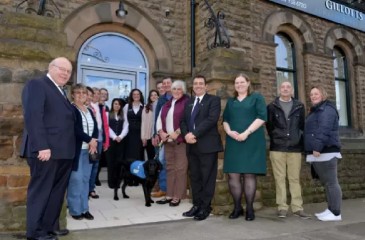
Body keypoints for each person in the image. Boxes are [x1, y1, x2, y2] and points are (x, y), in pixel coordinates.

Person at [20, 57, 75, 240]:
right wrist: (42, 146)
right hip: (46, 152)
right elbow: (33, 116)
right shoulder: (37, 84)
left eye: (68, 71)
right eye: (62, 69)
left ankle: (48, 227)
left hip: (63, 152)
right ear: (50, 68)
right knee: (41, 192)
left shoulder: (61, 91)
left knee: (56, 193)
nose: (65, 73)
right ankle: (35, 233)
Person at [222, 73, 267, 221]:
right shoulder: (231, 101)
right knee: (233, 176)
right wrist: (229, 131)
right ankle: (237, 207)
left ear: (248, 83)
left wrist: (246, 133)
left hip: (251, 140)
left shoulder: (257, 98)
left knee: (249, 175)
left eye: (242, 82)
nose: (239, 85)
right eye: (236, 83)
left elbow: (262, 117)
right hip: (234, 141)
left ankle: (249, 208)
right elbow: (225, 120)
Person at [180, 75, 223, 221]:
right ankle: (196, 205)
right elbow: (183, 121)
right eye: (195, 83)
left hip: (207, 145)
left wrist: (194, 134)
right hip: (191, 146)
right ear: (193, 86)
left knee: (207, 178)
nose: (198, 85)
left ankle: (206, 207)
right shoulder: (189, 102)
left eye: (201, 83)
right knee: (195, 177)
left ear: (206, 86)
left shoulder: (213, 100)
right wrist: (186, 135)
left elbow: (211, 120)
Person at [266, 81, 311, 219]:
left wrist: (298, 140)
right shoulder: (272, 106)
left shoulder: (299, 106)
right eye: (283, 87)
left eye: (288, 87)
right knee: (279, 178)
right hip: (277, 147)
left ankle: (297, 208)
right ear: (279, 90)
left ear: (292, 90)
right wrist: (276, 137)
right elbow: (269, 126)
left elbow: (302, 126)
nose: (285, 89)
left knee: (294, 178)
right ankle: (282, 207)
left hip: (295, 148)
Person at [304, 86, 342, 221]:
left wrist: (317, 147)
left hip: (326, 151)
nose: (313, 96)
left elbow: (324, 129)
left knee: (331, 182)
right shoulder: (317, 110)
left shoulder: (327, 109)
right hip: (321, 152)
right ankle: (331, 209)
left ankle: (336, 213)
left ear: (323, 95)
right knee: (327, 183)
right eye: (311, 94)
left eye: (316, 93)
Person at [67, 84, 98, 221]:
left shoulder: (89, 110)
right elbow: (74, 129)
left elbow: (96, 127)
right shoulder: (71, 109)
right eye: (77, 92)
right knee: (76, 180)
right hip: (77, 151)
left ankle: (84, 209)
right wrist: (89, 140)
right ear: (72, 95)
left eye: (83, 93)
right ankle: (75, 210)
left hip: (89, 151)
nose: (81, 95)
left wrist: (94, 141)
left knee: (86, 180)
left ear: (87, 95)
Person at [156, 80, 190, 207]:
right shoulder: (167, 104)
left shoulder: (187, 102)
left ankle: (178, 196)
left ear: (183, 90)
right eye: (174, 89)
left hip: (180, 141)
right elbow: (159, 119)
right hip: (167, 141)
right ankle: (169, 194)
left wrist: (178, 132)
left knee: (180, 169)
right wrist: (161, 132)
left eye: (179, 89)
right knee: (169, 168)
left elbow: (189, 120)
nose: (176, 91)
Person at [151, 77, 173, 198]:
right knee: (161, 160)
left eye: (168, 83)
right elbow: (157, 119)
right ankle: (163, 188)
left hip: (175, 135)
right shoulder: (161, 100)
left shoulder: (178, 97)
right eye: (164, 84)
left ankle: (172, 188)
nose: (166, 85)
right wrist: (156, 134)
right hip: (162, 135)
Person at [107, 98, 129, 198]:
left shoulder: (123, 115)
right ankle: (111, 183)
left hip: (121, 141)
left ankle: (117, 183)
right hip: (111, 141)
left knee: (119, 162)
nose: (117, 106)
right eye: (115, 104)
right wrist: (115, 137)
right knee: (111, 162)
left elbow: (126, 127)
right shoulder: (108, 114)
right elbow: (107, 127)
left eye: (119, 104)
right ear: (112, 104)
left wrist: (120, 136)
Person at [124, 89, 145, 161]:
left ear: (140, 96)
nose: (136, 96)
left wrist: (144, 136)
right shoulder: (127, 106)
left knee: (139, 153)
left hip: (140, 134)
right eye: (134, 94)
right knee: (129, 153)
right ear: (131, 96)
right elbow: (124, 121)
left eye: (138, 94)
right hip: (129, 133)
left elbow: (145, 122)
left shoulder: (144, 107)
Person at [96, 87, 110, 186]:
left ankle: (96, 178)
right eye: (102, 93)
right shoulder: (95, 106)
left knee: (100, 160)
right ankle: (95, 178)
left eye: (105, 94)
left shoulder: (107, 107)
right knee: (95, 159)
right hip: (96, 136)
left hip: (104, 136)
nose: (103, 95)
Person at [141, 90, 159, 159]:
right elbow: (143, 123)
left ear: (158, 96)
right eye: (152, 95)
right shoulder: (146, 108)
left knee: (159, 156)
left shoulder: (161, 107)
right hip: (148, 136)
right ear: (149, 97)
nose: (154, 96)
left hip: (158, 135)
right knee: (151, 157)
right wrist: (143, 137)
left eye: (155, 95)